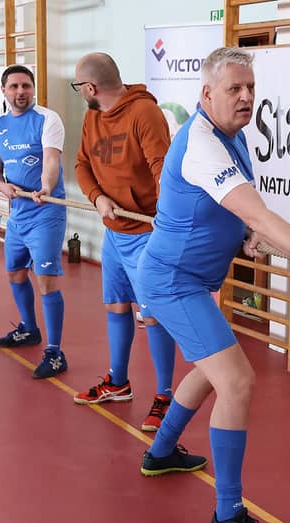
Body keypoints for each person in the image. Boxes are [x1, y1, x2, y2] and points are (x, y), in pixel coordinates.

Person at [136, 47, 290, 523]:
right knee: (236, 381)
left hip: (191, 278)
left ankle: (161, 452)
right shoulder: (201, 144)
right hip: (173, 281)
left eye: (250, 88)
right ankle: (228, 514)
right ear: (206, 93)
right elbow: (257, 212)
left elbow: (235, 212)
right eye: (234, 88)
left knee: (210, 368)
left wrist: (242, 237)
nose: (246, 97)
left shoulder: (232, 137)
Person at [72, 52, 178, 433]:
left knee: (153, 314)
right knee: (116, 305)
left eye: (78, 87)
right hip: (114, 232)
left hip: (146, 234)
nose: (79, 92)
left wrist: (166, 221)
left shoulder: (143, 113)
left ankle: (165, 395)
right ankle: (118, 382)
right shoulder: (92, 117)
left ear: (90, 87)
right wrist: (97, 197)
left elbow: (163, 170)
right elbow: (82, 165)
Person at [0, 65, 69, 379]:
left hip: (45, 211)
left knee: (45, 279)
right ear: (4, 91)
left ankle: (55, 353)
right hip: (18, 212)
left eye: (26, 86)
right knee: (15, 272)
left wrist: (46, 187)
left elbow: (51, 160)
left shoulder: (47, 119)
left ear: (33, 88)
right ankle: (29, 329)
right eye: (14, 86)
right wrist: (1, 186)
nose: (20, 91)